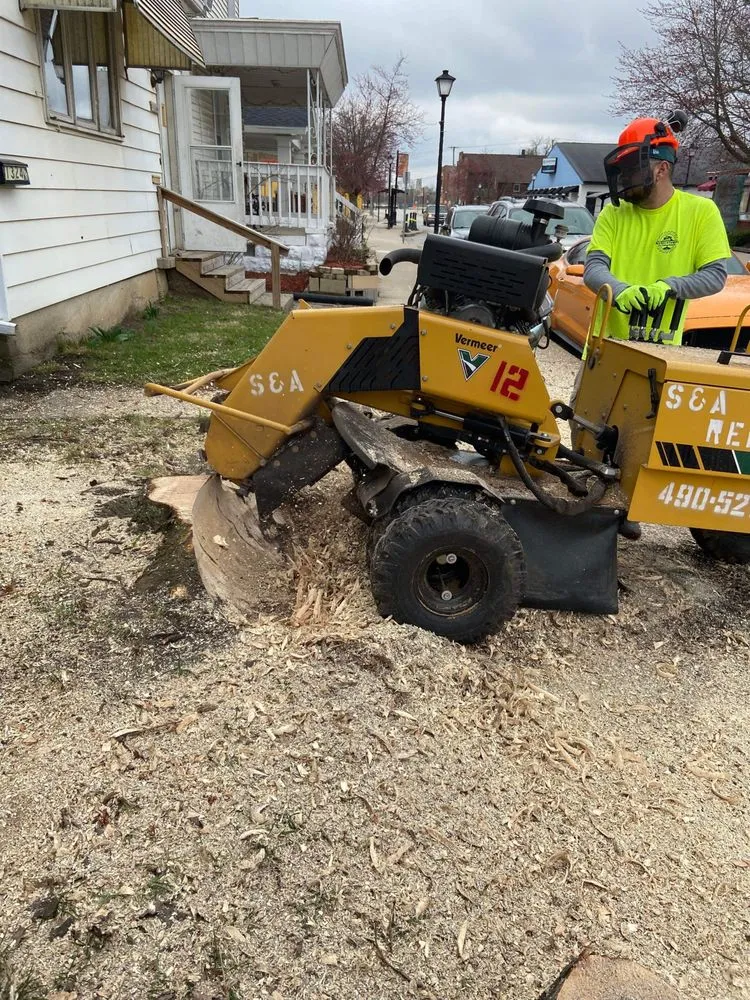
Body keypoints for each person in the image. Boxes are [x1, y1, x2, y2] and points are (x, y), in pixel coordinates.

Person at [584, 113, 732, 344]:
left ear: (661, 169)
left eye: (632, 168)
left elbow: (714, 276)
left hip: (662, 349)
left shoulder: (701, 212)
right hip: (604, 346)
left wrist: (669, 287)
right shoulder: (613, 213)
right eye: (622, 169)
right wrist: (620, 290)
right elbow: (593, 268)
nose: (625, 176)